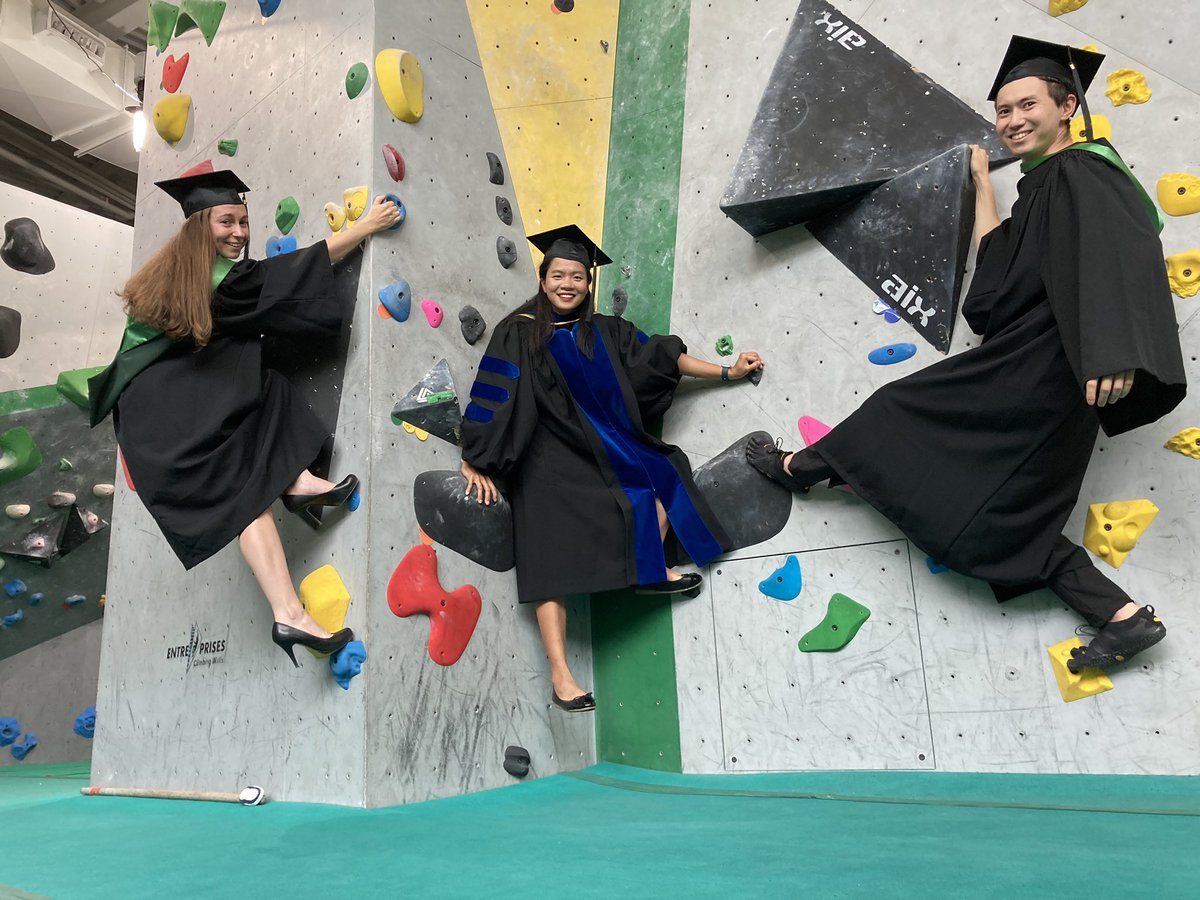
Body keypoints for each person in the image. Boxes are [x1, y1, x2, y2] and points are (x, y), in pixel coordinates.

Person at [747, 36, 1186, 674]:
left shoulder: (1086, 170)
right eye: (1004, 111)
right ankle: (1123, 618)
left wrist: (1116, 351)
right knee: (1020, 509)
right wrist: (984, 185)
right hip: (1052, 370)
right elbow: (999, 278)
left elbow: (1123, 253)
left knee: (899, 409)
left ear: (1067, 106)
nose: (1013, 120)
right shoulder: (1044, 184)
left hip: (1055, 362)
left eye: (1028, 105)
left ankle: (799, 468)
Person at [88, 169, 402, 666]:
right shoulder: (225, 281)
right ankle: (296, 496)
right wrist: (365, 226)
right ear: (201, 227)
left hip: (154, 425)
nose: (238, 232)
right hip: (168, 419)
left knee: (250, 476)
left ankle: (289, 603)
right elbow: (292, 272)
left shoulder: (167, 277)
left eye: (244, 221)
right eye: (226, 221)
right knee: (260, 399)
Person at [459, 224, 763, 711]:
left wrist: (727, 371)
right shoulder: (517, 331)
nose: (567, 284)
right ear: (543, 280)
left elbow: (665, 358)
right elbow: (494, 394)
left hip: (601, 450)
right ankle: (561, 677)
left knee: (662, 472)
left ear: (588, 283)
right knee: (549, 555)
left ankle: (649, 567)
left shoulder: (604, 331)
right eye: (558, 275)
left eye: (577, 276)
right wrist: (474, 457)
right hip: (545, 459)